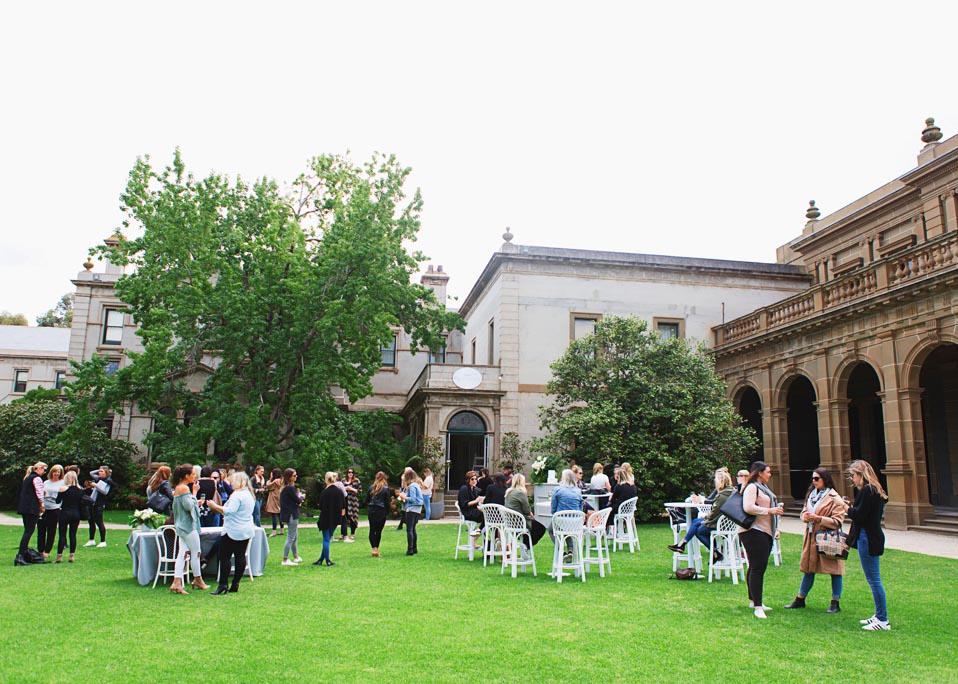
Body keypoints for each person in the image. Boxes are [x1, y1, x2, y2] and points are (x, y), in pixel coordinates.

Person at [784, 467, 847, 613]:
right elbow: (804, 511)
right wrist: (804, 517)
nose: (814, 481)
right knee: (808, 568)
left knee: (835, 570)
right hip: (811, 536)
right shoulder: (812, 495)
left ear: (825, 479)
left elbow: (838, 520)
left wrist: (819, 519)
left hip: (827, 537)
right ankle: (800, 599)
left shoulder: (833, 497)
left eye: (817, 478)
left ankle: (835, 602)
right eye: (812, 478)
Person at [846, 459, 891, 631]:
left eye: (853, 476)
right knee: (873, 579)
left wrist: (846, 508)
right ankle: (879, 615)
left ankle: (882, 619)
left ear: (860, 475)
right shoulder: (874, 490)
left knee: (874, 579)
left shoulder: (867, 491)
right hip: (870, 536)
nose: (853, 480)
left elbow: (859, 515)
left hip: (868, 537)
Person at [739, 461, 784, 619]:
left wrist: (775, 525)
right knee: (758, 567)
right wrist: (769, 510)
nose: (770, 474)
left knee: (756, 566)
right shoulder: (752, 487)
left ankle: (754, 600)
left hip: (765, 531)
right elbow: (748, 507)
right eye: (768, 472)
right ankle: (758, 606)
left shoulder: (764, 488)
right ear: (759, 473)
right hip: (753, 531)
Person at [667, 469, 735, 562]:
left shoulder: (722, 496)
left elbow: (715, 512)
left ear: (721, 482)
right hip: (729, 524)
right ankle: (683, 544)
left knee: (699, 531)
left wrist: (706, 517)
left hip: (719, 524)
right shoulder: (732, 492)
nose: (715, 481)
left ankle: (684, 545)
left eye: (716, 479)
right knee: (695, 522)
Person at [205, 471, 256, 594]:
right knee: (240, 556)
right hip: (245, 529)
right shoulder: (249, 495)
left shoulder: (237, 495)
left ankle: (223, 584)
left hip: (233, 529)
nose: (231, 483)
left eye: (233, 481)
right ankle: (235, 582)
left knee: (224, 556)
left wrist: (214, 506)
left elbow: (229, 511)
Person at [170, 464, 210, 595]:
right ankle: (197, 579)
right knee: (196, 552)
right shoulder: (184, 488)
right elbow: (188, 506)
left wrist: (193, 499)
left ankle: (177, 582)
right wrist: (194, 493)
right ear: (186, 476)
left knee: (182, 553)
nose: (195, 476)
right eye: (193, 474)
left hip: (182, 525)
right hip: (188, 526)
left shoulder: (179, 488)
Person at [16, 461, 47, 566]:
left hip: (25, 507)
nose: (44, 472)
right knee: (29, 531)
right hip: (32, 508)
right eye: (44, 469)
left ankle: (22, 554)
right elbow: (39, 493)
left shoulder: (27, 478)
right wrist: (42, 505)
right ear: (38, 469)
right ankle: (20, 555)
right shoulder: (36, 478)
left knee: (27, 530)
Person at [504, 473, 546, 548]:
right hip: (520, 522)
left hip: (509, 521)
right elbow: (526, 511)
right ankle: (526, 546)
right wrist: (531, 514)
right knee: (541, 528)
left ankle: (525, 545)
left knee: (534, 527)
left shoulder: (508, 492)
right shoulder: (520, 493)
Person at [550, 469, 584, 558]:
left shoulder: (558, 490)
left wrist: (554, 514)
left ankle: (561, 551)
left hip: (561, 520)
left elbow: (553, 508)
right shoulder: (578, 491)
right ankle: (570, 550)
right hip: (576, 522)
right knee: (567, 529)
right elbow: (580, 507)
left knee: (551, 529)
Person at [314, 472, 345, 566]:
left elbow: (321, 506)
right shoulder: (339, 491)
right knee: (328, 538)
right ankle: (321, 559)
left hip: (325, 518)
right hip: (335, 519)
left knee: (326, 539)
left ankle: (327, 559)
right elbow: (343, 506)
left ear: (326, 479)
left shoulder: (325, 492)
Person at [55, 471, 83, 563]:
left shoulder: (63, 489)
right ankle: (72, 555)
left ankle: (59, 556)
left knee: (62, 534)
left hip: (65, 512)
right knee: (73, 534)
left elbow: (57, 501)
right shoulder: (80, 490)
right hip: (76, 513)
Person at [38, 464, 65, 559]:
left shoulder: (62, 483)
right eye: (55, 471)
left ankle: (47, 550)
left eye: (58, 472)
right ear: (51, 472)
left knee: (51, 530)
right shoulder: (46, 482)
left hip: (55, 508)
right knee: (41, 529)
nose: (56, 473)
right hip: (44, 508)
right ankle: (40, 550)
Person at [84, 465, 114, 548]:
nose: (99, 473)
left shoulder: (108, 481)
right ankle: (91, 540)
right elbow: (91, 473)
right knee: (91, 522)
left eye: (102, 471)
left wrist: (96, 485)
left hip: (99, 504)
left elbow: (105, 492)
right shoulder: (99, 479)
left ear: (106, 473)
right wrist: (100, 469)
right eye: (99, 471)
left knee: (99, 522)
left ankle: (103, 541)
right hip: (92, 503)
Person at [607, 462, 639, 536]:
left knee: (608, 510)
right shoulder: (633, 486)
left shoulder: (619, 486)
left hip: (621, 509)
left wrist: (610, 501)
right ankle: (619, 530)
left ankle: (611, 530)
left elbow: (613, 498)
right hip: (630, 509)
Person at [280, 468, 304, 566]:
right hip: (291, 514)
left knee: (294, 536)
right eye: (294, 475)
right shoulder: (290, 488)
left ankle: (296, 556)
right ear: (289, 477)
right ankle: (285, 559)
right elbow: (297, 500)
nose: (296, 477)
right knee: (291, 537)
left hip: (290, 514)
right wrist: (301, 498)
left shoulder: (287, 488)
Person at [366, 471, 392, 557]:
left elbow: (367, 500)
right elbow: (387, 502)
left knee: (372, 530)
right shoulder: (385, 489)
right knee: (378, 531)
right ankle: (376, 548)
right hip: (381, 510)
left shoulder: (371, 488)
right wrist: (387, 512)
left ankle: (374, 548)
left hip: (372, 509)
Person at [399, 469, 424, 556]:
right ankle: (414, 548)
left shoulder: (412, 486)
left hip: (411, 509)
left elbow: (412, 499)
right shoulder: (416, 485)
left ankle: (410, 549)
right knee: (413, 529)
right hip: (417, 510)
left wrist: (404, 497)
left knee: (409, 529)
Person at [339, 468, 361, 542]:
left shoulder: (356, 481)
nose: (350, 473)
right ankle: (343, 533)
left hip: (353, 502)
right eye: (349, 472)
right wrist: (345, 488)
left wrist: (351, 489)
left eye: (352, 472)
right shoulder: (343, 481)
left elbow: (359, 491)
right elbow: (339, 490)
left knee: (353, 518)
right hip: (344, 501)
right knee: (344, 517)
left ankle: (352, 534)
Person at [265, 468, 284, 536]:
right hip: (280, 498)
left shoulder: (275, 481)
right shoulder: (282, 480)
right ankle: (282, 530)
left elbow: (268, 486)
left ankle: (274, 531)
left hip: (274, 499)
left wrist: (271, 478)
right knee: (280, 514)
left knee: (274, 514)